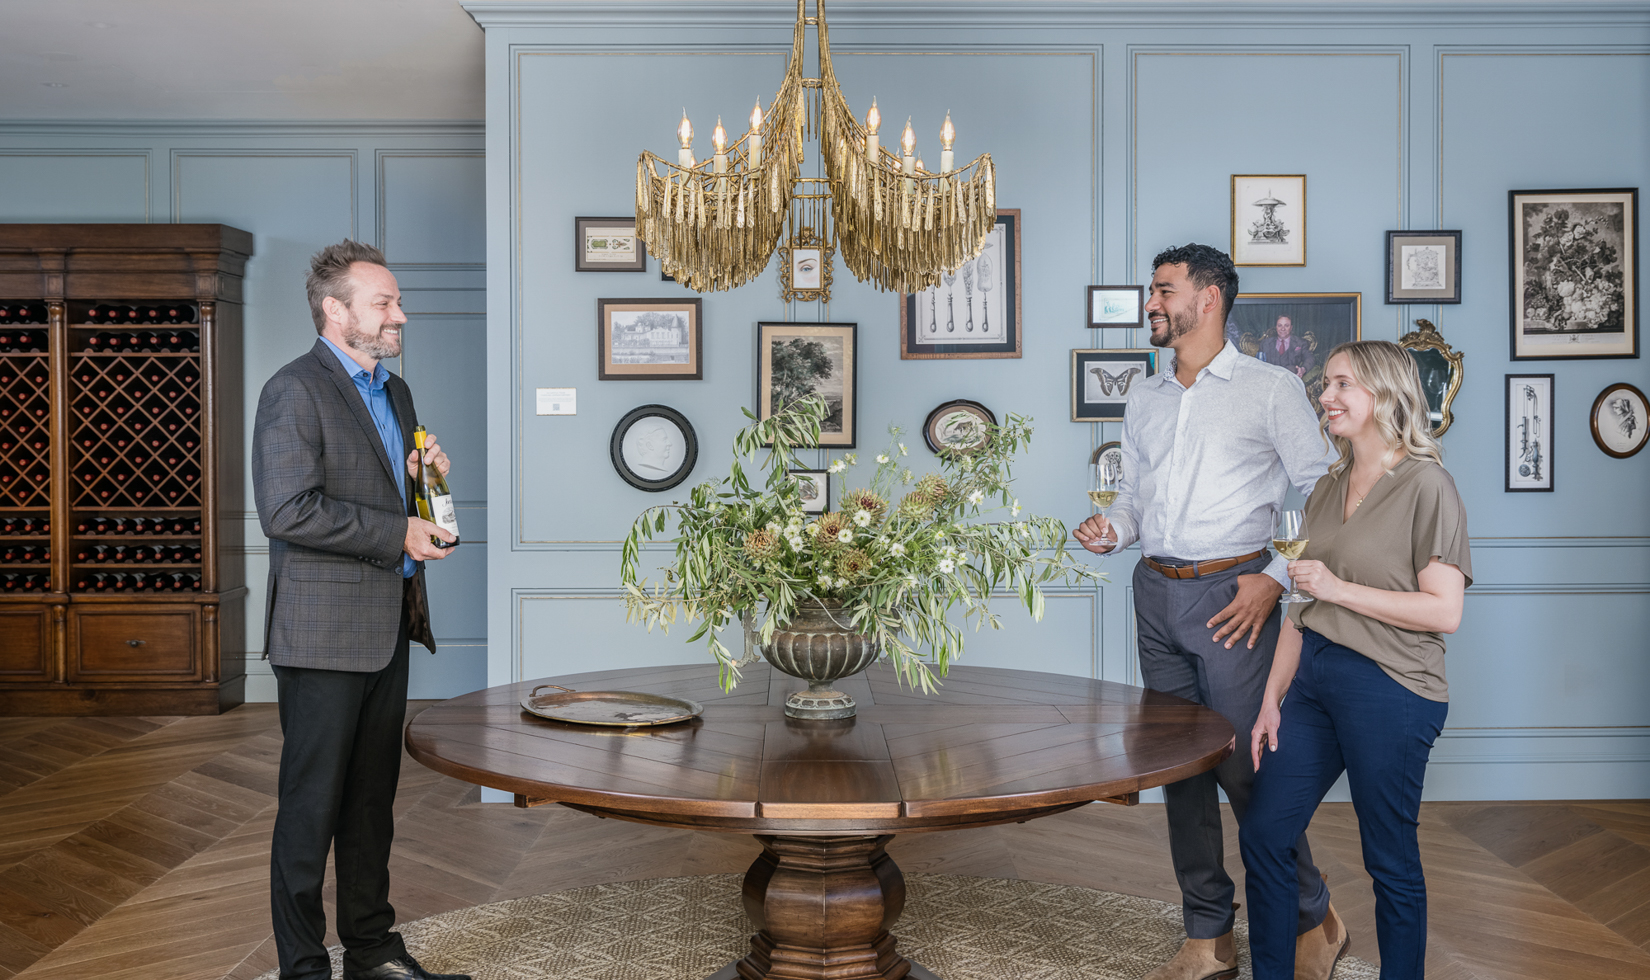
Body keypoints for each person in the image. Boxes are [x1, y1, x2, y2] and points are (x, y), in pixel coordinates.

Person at [1074, 243, 1345, 980]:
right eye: (1152, 291)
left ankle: (1311, 915)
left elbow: (1326, 495)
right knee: (1178, 772)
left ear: (1210, 299)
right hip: (1154, 592)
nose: (1151, 303)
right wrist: (1115, 530)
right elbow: (1133, 499)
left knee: (1248, 773)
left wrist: (1278, 579)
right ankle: (1208, 935)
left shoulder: (1271, 389)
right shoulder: (1145, 396)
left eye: (1164, 291)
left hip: (1237, 599)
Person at [254, 240, 469, 980]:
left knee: (372, 805)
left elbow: (379, 496)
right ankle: (304, 968)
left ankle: (373, 953)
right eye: (384, 303)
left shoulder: (395, 392)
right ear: (335, 310)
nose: (399, 314)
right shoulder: (293, 390)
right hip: (319, 639)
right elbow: (287, 511)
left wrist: (423, 483)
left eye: (396, 300)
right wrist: (397, 529)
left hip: (387, 628)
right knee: (311, 811)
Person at [1241, 341, 1470, 980]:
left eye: (1342, 384)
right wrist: (1271, 697)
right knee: (1264, 834)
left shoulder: (1428, 485)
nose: (1326, 397)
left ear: (1385, 395)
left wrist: (1338, 588)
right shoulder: (1326, 488)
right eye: (1325, 385)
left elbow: (1443, 611)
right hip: (1312, 680)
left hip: (1392, 688)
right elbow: (1299, 604)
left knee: (1389, 859)